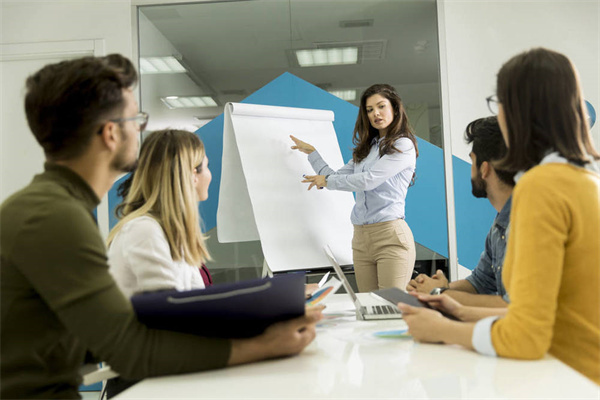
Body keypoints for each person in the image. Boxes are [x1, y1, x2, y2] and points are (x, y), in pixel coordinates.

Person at [0, 54, 322, 400]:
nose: (141, 133)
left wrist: (264, 306)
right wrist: (264, 345)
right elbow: (127, 348)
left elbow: (104, 334)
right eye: (137, 121)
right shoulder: (55, 217)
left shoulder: (53, 207)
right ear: (111, 133)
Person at [398, 48, 600, 385]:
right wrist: (460, 311)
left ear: (516, 110)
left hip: (563, 376)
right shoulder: (584, 180)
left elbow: (526, 336)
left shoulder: (541, 188)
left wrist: (444, 329)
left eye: (499, 102)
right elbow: (549, 314)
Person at [290, 84, 418, 292]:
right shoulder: (368, 150)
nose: (375, 113)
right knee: (368, 306)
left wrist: (326, 182)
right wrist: (312, 153)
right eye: (369, 110)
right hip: (360, 239)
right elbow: (335, 177)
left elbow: (368, 180)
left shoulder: (403, 145)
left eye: (381, 106)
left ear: (394, 108)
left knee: (392, 309)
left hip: (390, 236)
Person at [407, 117, 514, 311]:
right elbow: (480, 283)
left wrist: (438, 294)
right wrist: (438, 288)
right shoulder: (501, 222)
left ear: (484, 169)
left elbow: (515, 305)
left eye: (471, 162)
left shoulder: (528, 222)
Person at [107, 129, 213, 298]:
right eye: (207, 166)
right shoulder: (144, 230)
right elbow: (169, 308)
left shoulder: (174, 233)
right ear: (193, 175)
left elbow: (198, 302)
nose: (209, 175)